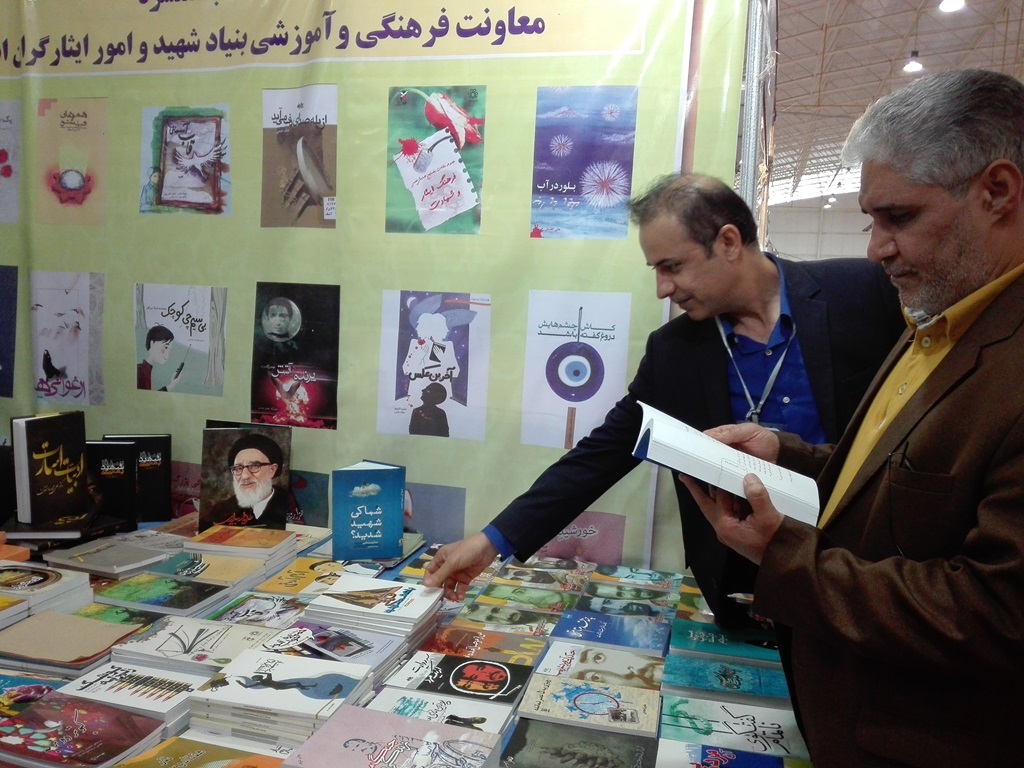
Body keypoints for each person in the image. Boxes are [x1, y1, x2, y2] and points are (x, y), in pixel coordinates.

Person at [685, 69, 1024, 767]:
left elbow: (997, 614)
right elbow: (898, 477)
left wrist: (782, 557)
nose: (875, 249)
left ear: (997, 191)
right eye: (872, 221)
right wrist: (787, 455)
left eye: (899, 217)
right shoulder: (941, 314)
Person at [424, 173, 905, 627]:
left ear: (728, 242)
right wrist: (490, 541)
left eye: (672, 267)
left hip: (864, 578)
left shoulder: (866, 294)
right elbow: (601, 455)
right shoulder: (674, 352)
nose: (663, 289)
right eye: (656, 270)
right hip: (747, 592)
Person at [205, 433, 289, 529]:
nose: (245, 476)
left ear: (272, 470)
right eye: (238, 468)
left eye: (254, 466)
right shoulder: (221, 511)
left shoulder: (290, 506)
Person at [136, 324, 183, 392]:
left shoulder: (146, 370)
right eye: (165, 347)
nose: (167, 354)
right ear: (152, 343)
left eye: (169, 350)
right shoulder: (140, 371)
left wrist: (172, 384)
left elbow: (150, 395)